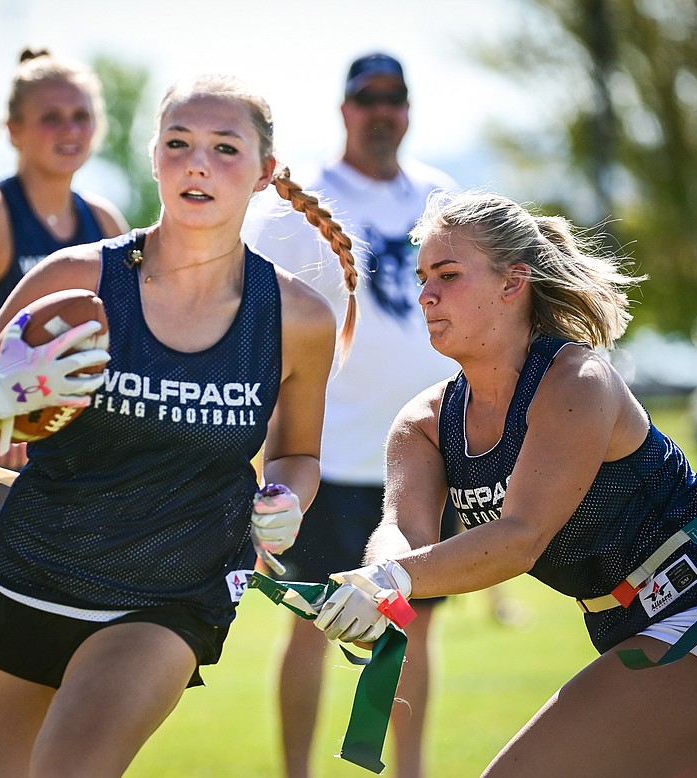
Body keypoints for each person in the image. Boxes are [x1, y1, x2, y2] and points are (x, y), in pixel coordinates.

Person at [0, 73, 356, 777]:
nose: (198, 163)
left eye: (224, 148)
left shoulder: (296, 318)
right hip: (31, 579)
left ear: (266, 172)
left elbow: (297, 453)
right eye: (178, 144)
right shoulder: (77, 279)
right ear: (153, 157)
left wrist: (287, 500)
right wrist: (0, 392)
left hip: (172, 598)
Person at [314, 191, 697, 776]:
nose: (425, 295)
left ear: (512, 282)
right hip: (656, 627)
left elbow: (520, 538)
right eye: (422, 277)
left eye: (448, 275)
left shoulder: (576, 381)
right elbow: (402, 529)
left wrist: (390, 580)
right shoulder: (423, 423)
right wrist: (380, 583)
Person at [247, 51, 464, 778]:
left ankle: (409, 772)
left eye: (395, 98)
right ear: (345, 110)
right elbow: (255, 321)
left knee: (413, 627)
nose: (382, 111)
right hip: (327, 455)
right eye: (367, 98)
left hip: (428, 457)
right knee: (310, 629)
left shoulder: (440, 194)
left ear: (408, 109)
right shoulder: (299, 200)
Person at [0, 48, 128, 566]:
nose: (69, 129)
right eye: (50, 117)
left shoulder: (103, 220)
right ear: (13, 130)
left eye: (81, 115)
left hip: (78, 448)